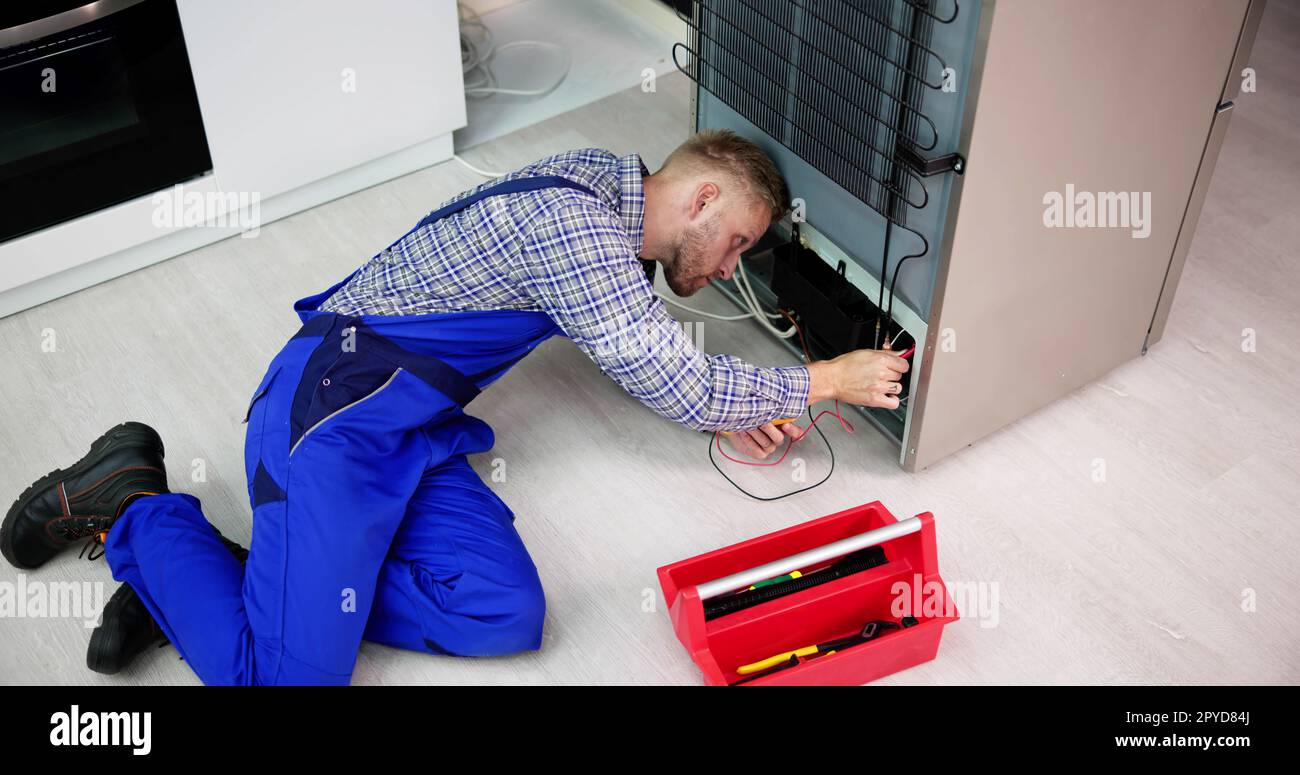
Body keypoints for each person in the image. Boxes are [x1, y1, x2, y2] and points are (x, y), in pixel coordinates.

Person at [1, 131, 908, 684]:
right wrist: (827, 378)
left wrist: (719, 406)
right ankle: (142, 511)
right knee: (276, 680)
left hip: (410, 430)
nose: (725, 269)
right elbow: (664, 369)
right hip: (327, 418)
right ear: (702, 195)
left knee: (504, 613)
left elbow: (645, 351)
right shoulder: (579, 230)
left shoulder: (602, 182)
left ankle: (250, 586)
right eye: (735, 242)